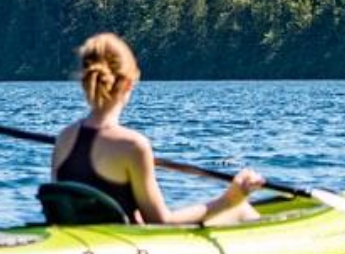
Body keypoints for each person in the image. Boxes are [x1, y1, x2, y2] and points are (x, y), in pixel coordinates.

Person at [51, 32, 263, 225]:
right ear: (128, 84)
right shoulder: (133, 145)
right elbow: (161, 222)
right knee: (242, 210)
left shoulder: (64, 139)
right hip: (125, 250)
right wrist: (231, 198)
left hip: (86, 241)